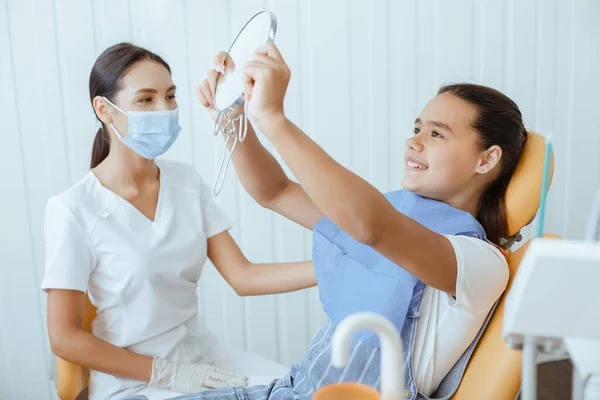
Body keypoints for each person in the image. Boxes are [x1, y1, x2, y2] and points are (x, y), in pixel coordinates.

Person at [150, 42, 528, 400]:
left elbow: (372, 227)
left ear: (486, 160)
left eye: (436, 134)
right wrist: (234, 118)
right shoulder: (392, 217)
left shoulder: (479, 262)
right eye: (416, 129)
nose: (414, 142)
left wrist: (274, 119)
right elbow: (275, 191)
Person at [41, 42, 317, 400]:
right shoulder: (73, 210)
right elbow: (64, 338)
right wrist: (166, 374)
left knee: (307, 392)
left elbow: (243, 276)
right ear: (104, 110)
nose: (164, 109)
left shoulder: (185, 182)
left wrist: (332, 265)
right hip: (135, 382)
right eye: (146, 100)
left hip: (204, 361)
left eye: (170, 97)